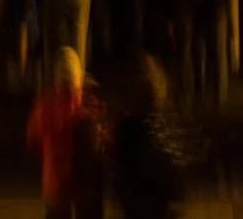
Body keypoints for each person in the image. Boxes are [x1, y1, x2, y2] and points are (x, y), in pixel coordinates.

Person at [26, 45, 106, 219]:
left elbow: (32, 139)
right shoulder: (89, 108)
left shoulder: (44, 106)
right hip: (84, 185)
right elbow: (104, 140)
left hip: (54, 184)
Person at [112, 56, 191, 219]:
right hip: (157, 207)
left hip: (140, 206)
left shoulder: (128, 127)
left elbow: (121, 169)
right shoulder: (167, 123)